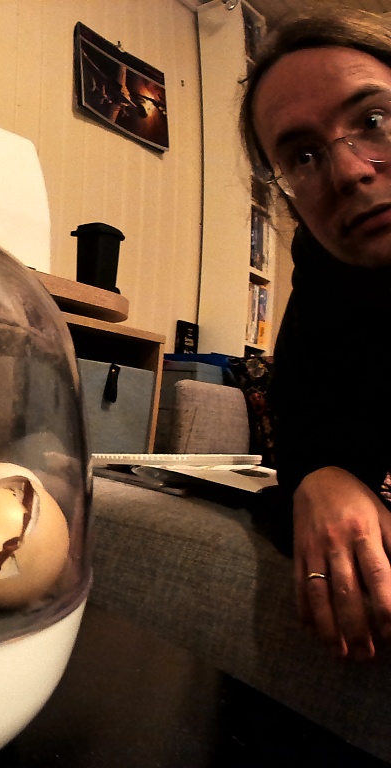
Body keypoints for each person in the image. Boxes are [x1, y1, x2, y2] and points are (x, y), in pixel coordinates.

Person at [240, 9, 391, 661]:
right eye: (302, 156)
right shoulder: (329, 273)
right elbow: (305, 421)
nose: (350, 171)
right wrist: (322, 478)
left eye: (375, 120)